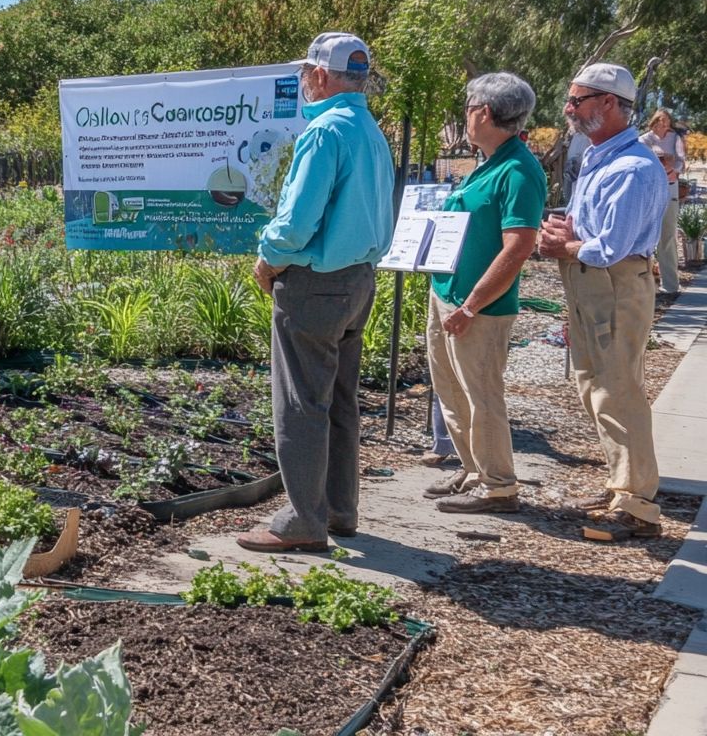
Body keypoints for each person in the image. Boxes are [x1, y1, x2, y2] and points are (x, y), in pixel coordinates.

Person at [238, 32, 395, 553]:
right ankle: (339, 510)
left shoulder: (324, 131)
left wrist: (268, 258)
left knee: (301, 402)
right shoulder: (370, 131)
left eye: (308, 72)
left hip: (316, 285)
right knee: (341, 401)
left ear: (322, 77)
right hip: (359, 280)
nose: (304, 80)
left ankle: (305, 519)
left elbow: (298, 221)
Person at [539, 63, 668, 542]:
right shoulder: (600, 156)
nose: (569, 109)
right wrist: (567, 236)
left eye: (578, 100)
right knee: (596, 385)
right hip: (593, 282)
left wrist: (564, 246)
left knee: (616, 388)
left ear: (609, 103)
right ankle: (623, 487)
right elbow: (588, 231)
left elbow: (611, 246)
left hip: (612, 282)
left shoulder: (632, 167)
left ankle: (637, 504)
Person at [421, 73, 547, 514]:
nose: (465, 117)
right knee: (451, 389)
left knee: (481, 395)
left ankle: (499, 487)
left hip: (479, 307)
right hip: (448, 293)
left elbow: (518, 248)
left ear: (485, 113)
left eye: (469, 108)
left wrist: (472, 305)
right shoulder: (488, 161)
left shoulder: (518, 170)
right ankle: (474, 469)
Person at [639, 108, 686, 296]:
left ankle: (670, 285)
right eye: (660, 121)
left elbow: (681, 162)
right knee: (645, 237)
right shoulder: (644, 139)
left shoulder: (675, 139)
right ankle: (644, 284)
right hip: (649, 189)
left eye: (667, 121)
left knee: (667, 236)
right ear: (654, 122)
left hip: (669, 187)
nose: (664, 125)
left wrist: (673, 169)